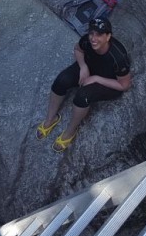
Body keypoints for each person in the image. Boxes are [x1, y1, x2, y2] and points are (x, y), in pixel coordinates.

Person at [36, 17, 132, 152]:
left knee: (82, 96)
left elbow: (124, 85)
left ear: (108, 36)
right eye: (91, 33)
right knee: (61, 80)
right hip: (90, 67)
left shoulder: (118, 57)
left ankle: (70, 131)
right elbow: (78, 49)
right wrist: (83, 66)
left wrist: (96, 79)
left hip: (109, 81)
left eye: (99, 35)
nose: (93, 38)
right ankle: (50, 119)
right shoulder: (87, 41)